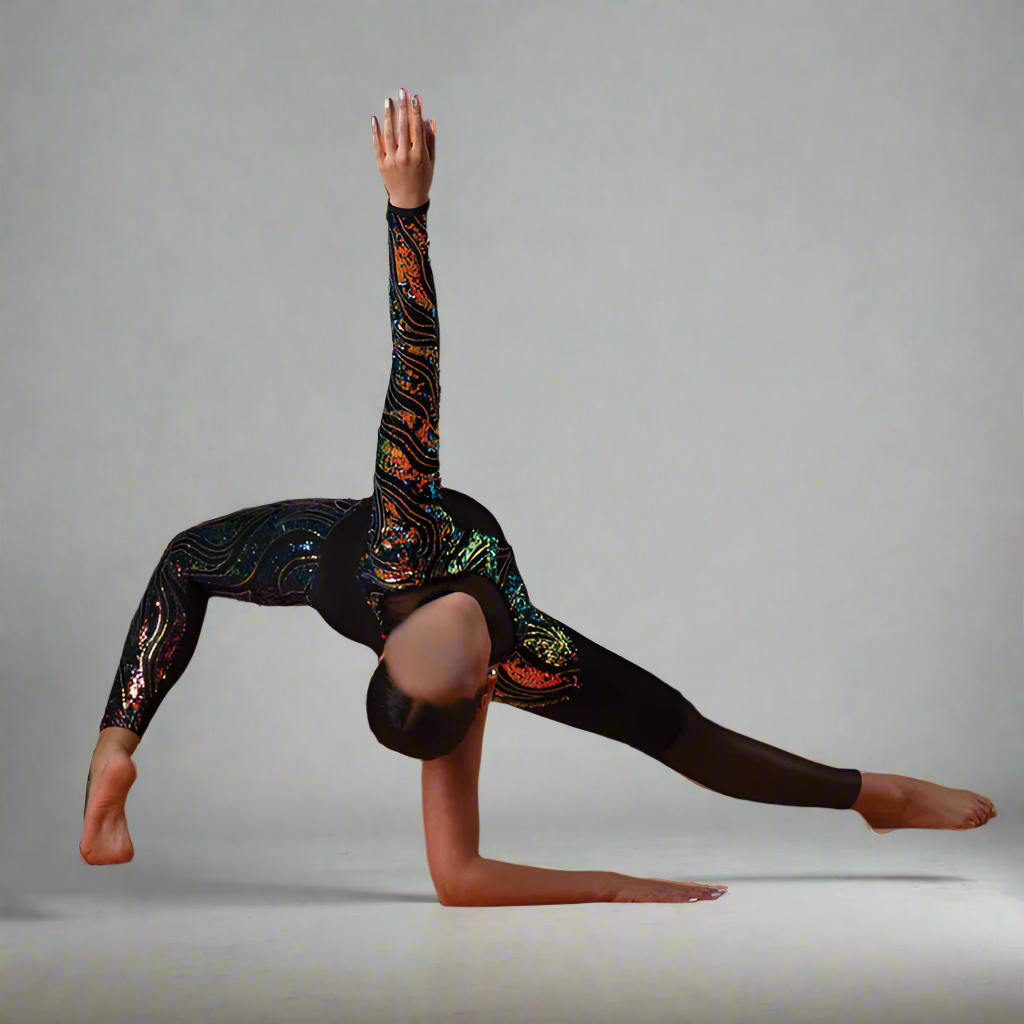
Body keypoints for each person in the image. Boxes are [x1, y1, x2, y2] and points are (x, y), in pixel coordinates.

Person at [80, 88, 997, 906]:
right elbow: (460, 879)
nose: (450, 617)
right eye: (462, 645)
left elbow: (415, 364)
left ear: (388, 644)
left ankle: (111, 752)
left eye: (422, 632)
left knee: (190, 559)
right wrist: (612, 886)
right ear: (484, 689)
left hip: (328, 552)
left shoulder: (402, 541)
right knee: (675, 726)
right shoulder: (521, 663)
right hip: (419, 637)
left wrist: (407, 209)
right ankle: (879, 796)